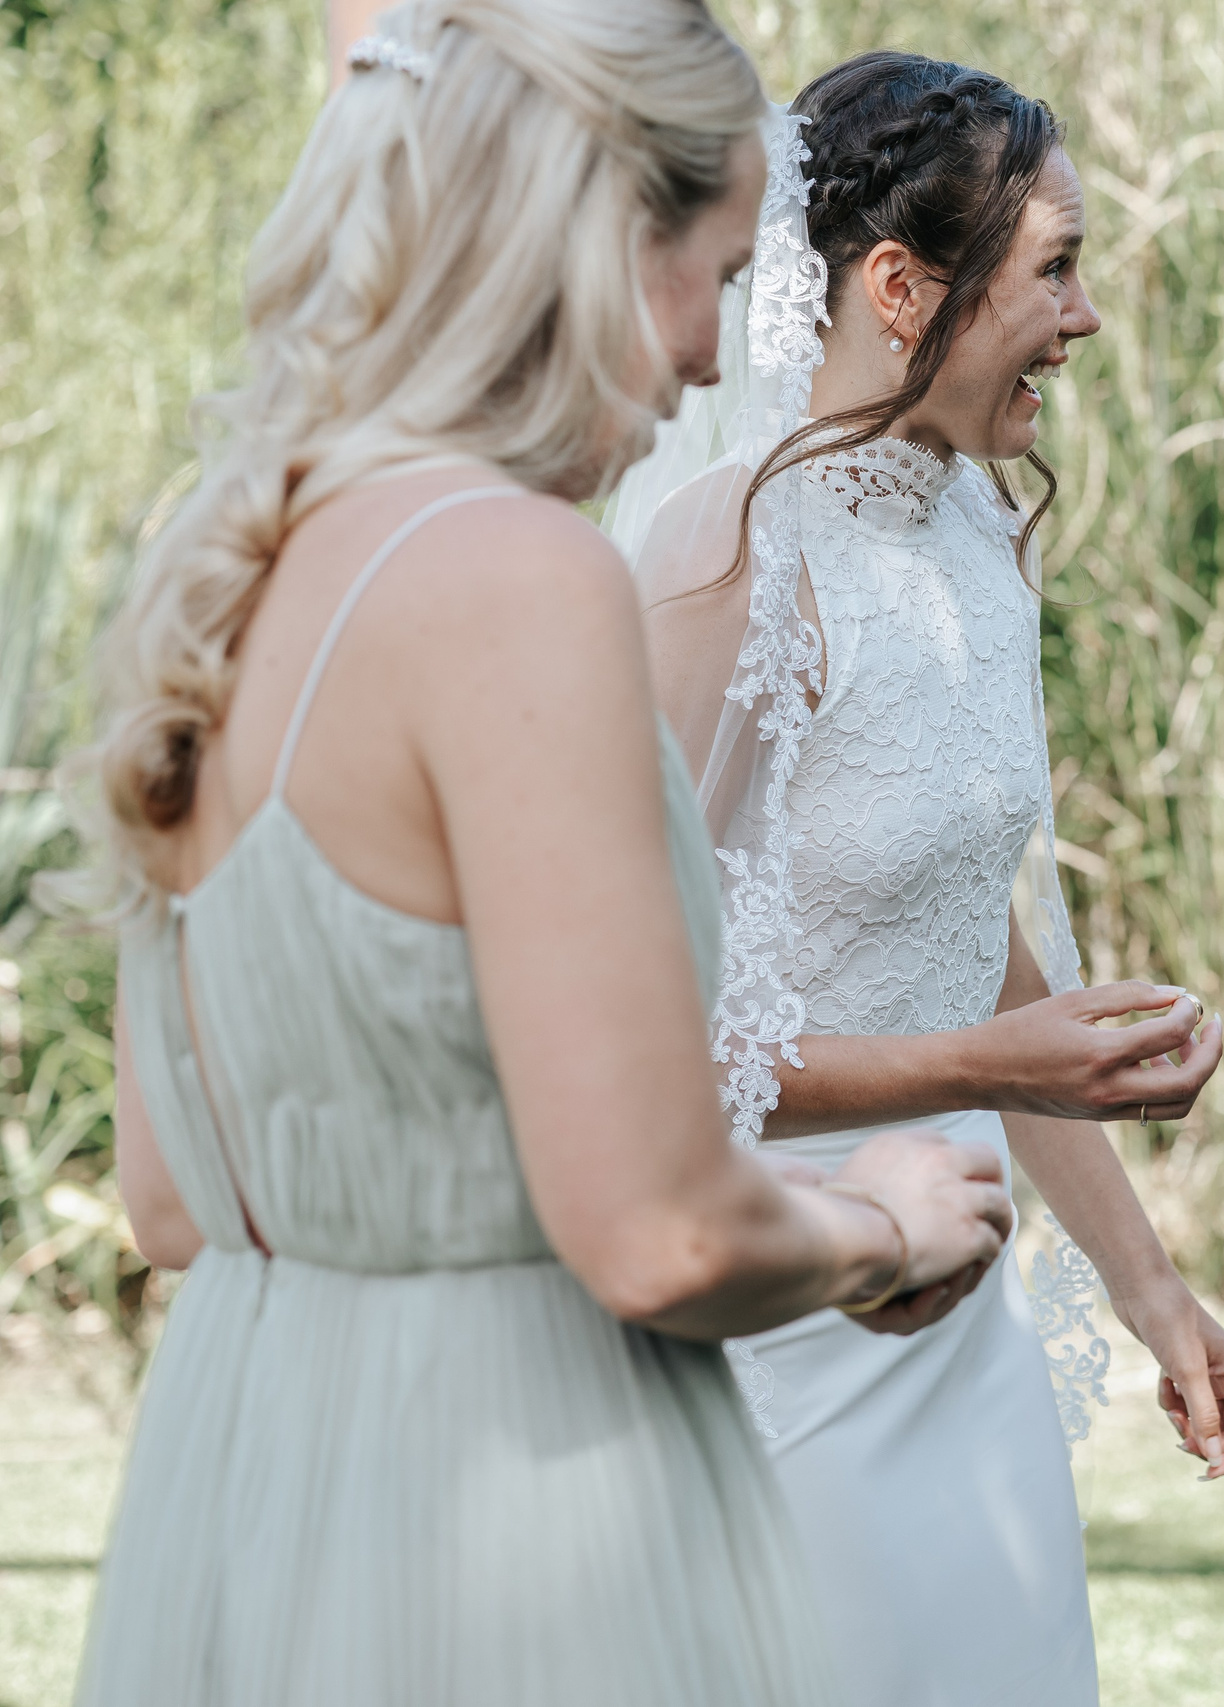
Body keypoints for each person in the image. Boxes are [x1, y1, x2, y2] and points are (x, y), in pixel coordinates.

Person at [75, 7, 1018, 1703]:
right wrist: (878, 1222)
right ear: (586, 246)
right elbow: (657, 1235)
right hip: (510, 1515)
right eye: (715, 280)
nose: (715, 363)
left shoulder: (219, 577)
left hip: (248, 1494)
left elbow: (168, 1201)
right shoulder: (520, 580)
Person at [620, 52, 1224, 1707]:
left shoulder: (980, 536)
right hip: (772, 1337)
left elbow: (974, 952)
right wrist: (990, 1070)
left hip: (957, 1336)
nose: (1086, 316)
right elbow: (634, 1054)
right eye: (1055, 267)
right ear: (904, 287)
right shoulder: (727, 561)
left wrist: (1149, 1285)